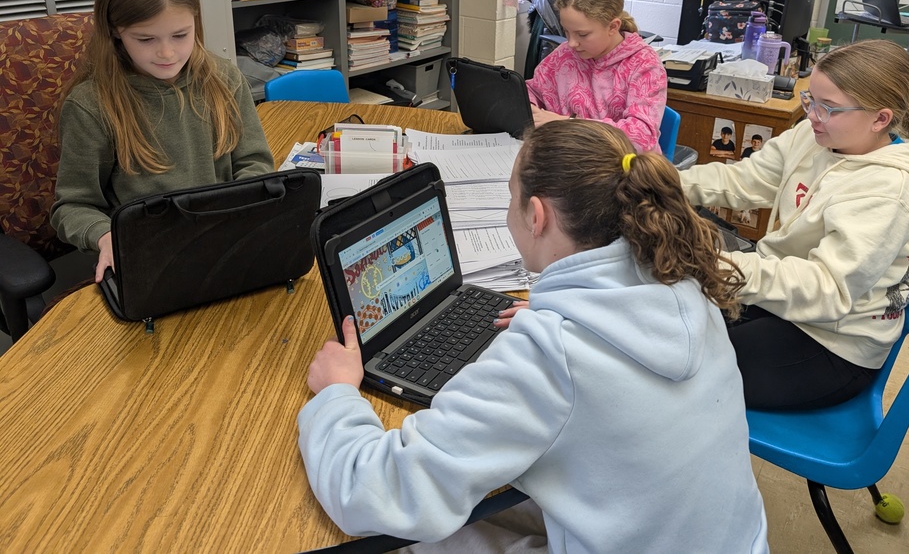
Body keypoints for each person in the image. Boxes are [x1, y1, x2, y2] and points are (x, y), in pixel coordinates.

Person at [299, 120, 768, 553]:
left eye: (511, 196)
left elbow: (376, 491)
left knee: (413, 539)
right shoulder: (682, 280)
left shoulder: (549, 356)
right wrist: (558, 315)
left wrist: (338, 393)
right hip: (732, 540)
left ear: (536, 215)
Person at [679, 39, 909, 410]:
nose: (812, 115)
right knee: (675, 325)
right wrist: (664, 182)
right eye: (811, 100)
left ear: (880, 118)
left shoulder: (889, 192)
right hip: (789, 302)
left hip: (833, 345)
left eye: (828, 108)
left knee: (678, 369)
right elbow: (745, 181)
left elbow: (828, 290)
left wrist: (722, 266)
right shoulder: (818, 136)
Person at [51, 0, 274, 283]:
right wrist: (104, 235)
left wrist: (244, 209)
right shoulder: (92, 106)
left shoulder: (223, 79)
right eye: (146, 39)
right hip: (149, 255)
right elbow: (72, 206)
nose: (168, 53)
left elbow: (254, 164)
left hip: (225, 242)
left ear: (195, 21)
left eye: (181, 35)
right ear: (115, 31)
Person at [526, 0, 667, 153]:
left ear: (613, 27)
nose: (571, 43)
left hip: (622, 168)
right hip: (568, 159)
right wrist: (529, 109)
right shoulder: (565, 54)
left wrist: (567, 124)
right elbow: (532, 91)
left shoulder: (644, 65)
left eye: (582, 34)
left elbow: (641, 136)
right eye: (566, 31)